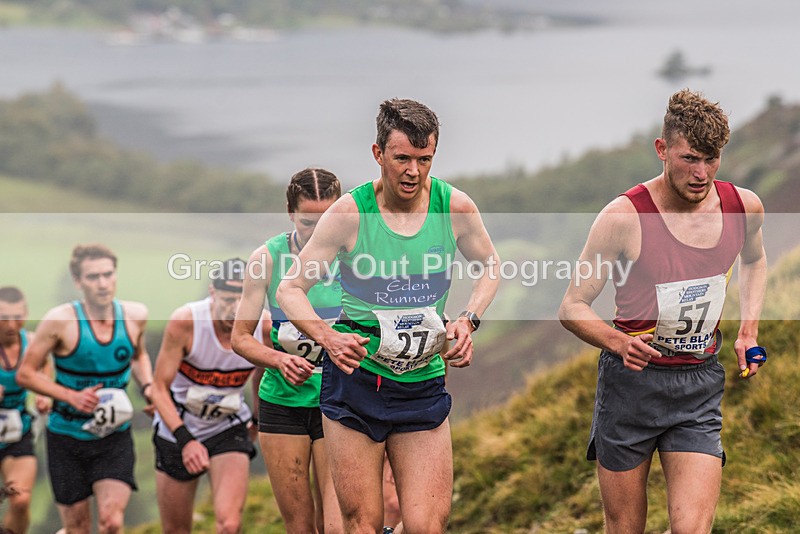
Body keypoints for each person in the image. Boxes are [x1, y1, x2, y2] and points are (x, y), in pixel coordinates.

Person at [275, 98, 500, 533]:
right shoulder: (348, 214)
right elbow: (290, 289)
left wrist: (468, 319)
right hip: (357, 380)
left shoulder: (454, 207)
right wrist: (327, 337)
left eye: (424, 159)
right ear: (378, 154)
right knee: (362, 522)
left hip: (422, 383)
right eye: (402, 158)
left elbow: (491, 265)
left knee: (426, 524)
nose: (413, 171)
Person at [558, 89, 767, 532]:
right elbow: (572, 306)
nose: (701, 173)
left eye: (712, 159)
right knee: (626, 527)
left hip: (699, 383)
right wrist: (619, 342)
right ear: (662, 149)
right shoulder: (623, 217)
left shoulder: (743, 207)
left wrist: (748, 332)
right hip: (630, 385)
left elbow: (754, 259)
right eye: (690, 158)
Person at [232, 168, 344, 534]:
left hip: (339, 401)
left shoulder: (358, 256)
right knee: (299, 525)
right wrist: (279, 359)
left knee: (338, 523)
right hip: (283, 403)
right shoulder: (267, 258)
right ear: (290, 213)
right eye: (309, 221)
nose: (319, 230)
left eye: (328, 218)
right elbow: (242, 338)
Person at [17, 244, 153, 534]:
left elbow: (138, 354)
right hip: (67, 437)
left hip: (113, 437)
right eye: (93, 277)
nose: (103, 283)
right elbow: (26, 374)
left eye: (108, 274)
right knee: (77, 528)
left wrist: (149, 387)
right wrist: (70, 396)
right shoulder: (59, 321)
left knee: (112, 522)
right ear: (78, 281)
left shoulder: (135, 315)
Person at [150, 258, 263, 534]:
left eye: (243, 300)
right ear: (213, 293)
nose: (236, 310)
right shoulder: (185, 322)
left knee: (229, 524)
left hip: (227, 426)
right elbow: (158, 388)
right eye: (227, 299)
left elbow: (263, 373)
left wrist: (257, 422)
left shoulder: (264, 327)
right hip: (177, 429)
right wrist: (185, 440)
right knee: (176, 530)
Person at [0, 287, 51, 534]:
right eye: (4, 317)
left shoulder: (31, 343)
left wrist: (44, 395)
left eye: (18, 316)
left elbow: (45, 371)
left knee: (20, 501)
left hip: (16, 433)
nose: (11, 324)